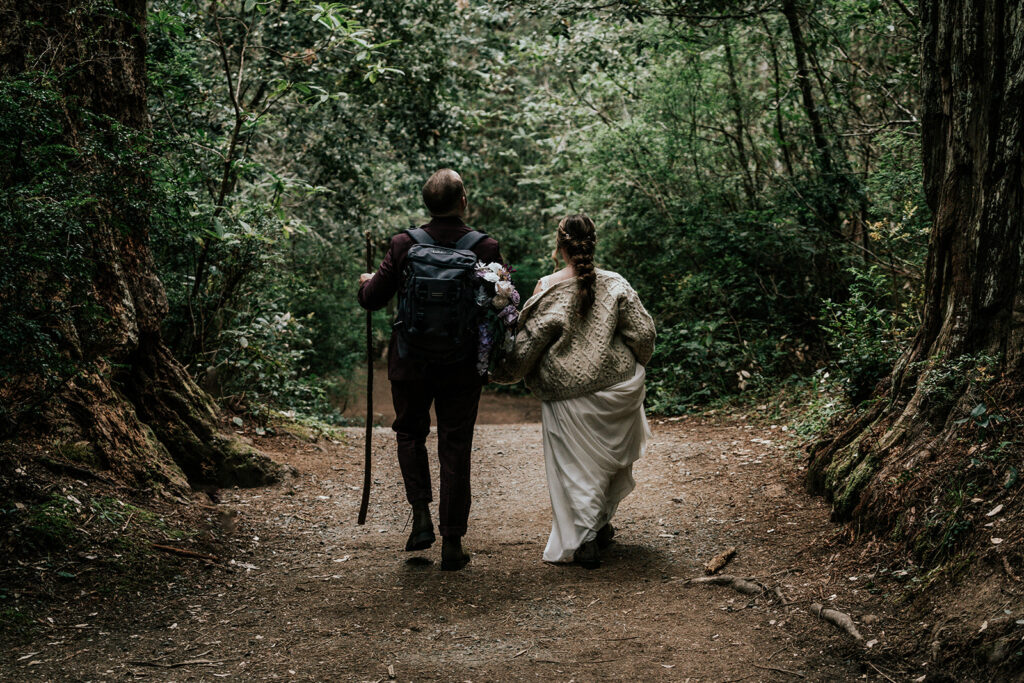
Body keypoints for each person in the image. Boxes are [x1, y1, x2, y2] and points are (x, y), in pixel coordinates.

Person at [358, 169, 502, 571]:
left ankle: (421, 516)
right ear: (463, 201)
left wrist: (366, 281)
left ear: (427, 204)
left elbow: (372, 299)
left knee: (410, 433)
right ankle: (453, 541)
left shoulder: (404, 244)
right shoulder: (484, 246)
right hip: (460, 364)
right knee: (455, 444)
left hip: (411, 360)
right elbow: (501, 304)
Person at [493, 214, 655, 569]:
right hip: (617, 390)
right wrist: (634, 367)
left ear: (560, 247)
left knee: (575, 470)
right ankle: (598, 527)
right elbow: (643, 335)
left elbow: (527, 347)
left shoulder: (546, 287)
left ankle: (587, 538)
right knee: (604, 467)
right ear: (593, 243)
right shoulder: (615, 285)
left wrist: (498, 371)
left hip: (566, 394)